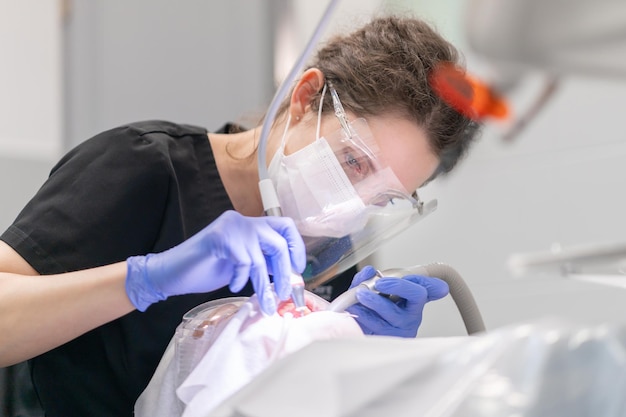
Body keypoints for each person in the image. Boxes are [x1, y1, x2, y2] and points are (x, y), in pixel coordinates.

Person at [0, 15, 480, 417]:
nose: (351, 207)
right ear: (306, 97)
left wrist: (359, 355)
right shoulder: (144, 169)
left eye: (385, 197)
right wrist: (145, 280)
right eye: (353, 162)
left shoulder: (332, 259)